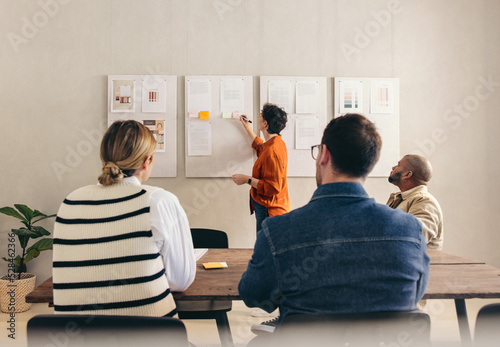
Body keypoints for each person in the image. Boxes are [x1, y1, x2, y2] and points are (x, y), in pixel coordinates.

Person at [238, 114, 430, 338]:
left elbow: (254, 296)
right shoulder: (410, 229)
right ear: (370, 163)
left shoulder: (277, 231)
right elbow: (415, 293)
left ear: (324, 155)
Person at [52, 120, 196, 317]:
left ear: (104, 158)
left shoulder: (70, 202)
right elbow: (180, 281)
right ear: (147, 161)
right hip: (152, 337)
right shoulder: (158, 201)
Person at [232, 103, 291, 233]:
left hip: (269, 211)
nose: (258, 117)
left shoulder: (273, 151)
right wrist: (247, 128)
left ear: (265, 124)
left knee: (265, 249)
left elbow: (273, 187)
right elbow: (262, 149)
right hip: (266, 208)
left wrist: (247, 179)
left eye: (260, 116)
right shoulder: (275, 144)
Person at [387, 154, 444, 249]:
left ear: (407, 174)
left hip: (419, 263)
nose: (393, 167)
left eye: (398, 165)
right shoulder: (403, 199)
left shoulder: (425, 201)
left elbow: (416, 234)